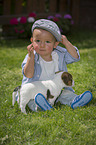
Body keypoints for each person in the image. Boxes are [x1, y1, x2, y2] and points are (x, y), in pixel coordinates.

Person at [13, 19, 92, 113]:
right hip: (36, 91)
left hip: (56, 90)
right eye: (38, 41)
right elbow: (28, 75)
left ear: (55, 44)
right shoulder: (31, 56)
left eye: (47, 42)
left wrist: (66, 42)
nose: (42, 45)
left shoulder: (59, 54)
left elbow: (75, 57)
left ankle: (75, 101)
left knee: (65, 94)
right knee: (31, 99)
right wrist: (30, 57)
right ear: (32, 41)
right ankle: (39, 106)